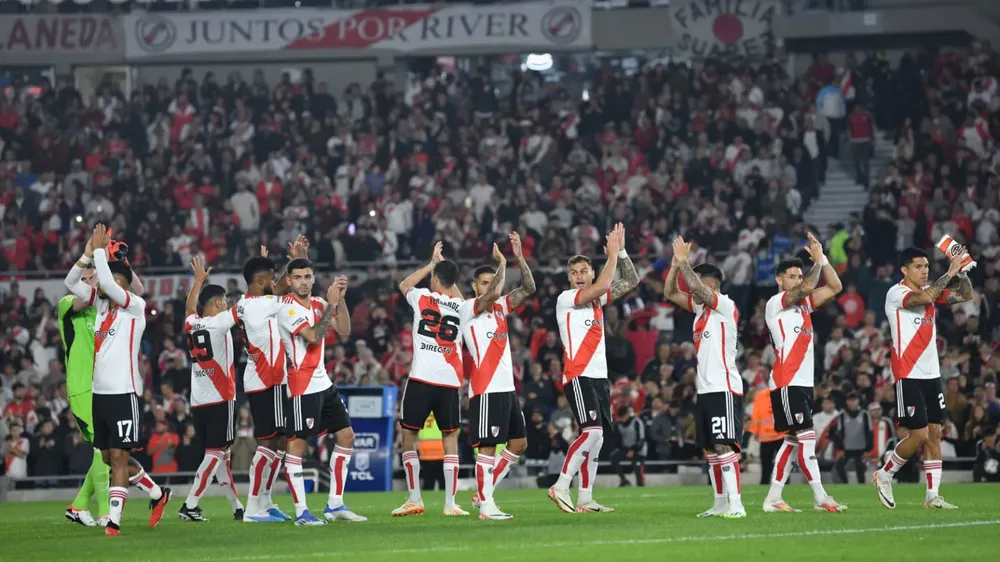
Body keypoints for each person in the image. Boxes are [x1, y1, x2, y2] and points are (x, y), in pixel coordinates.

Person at [63, 224, 170, 536]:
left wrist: (100, 250)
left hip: (124, 393)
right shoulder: (100, 306)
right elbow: (71, 282)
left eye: (113, 283)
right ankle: (156, 493)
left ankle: (113, 523)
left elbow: (108, 282)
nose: (104, 287)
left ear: (122, 286)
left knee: (120, 457)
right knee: (109, 457)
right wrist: (86, 255)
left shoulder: (134, 307)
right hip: (100, 394)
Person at [548, 223, 639, 514]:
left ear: (590, 273)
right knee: (591, 431)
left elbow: (632, 280)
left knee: (597, 439)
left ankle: (585, 498)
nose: (578, 277)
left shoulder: (597, 301)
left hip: (599, 377)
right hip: (578, 375)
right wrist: (611, 256)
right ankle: (561, 485)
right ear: (568, 277)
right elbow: (603, 285)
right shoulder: (566, 300)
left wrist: (622, 251)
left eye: (583, 272)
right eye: (574, 273)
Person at [874, 247, 973, 509]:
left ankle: (932, 496)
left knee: (934, 434)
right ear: (904, 270)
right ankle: (885, 474)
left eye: (927, 265)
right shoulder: (896, 293)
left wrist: (961, 272)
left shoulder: (930, 291)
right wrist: (950, 272)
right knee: (917, 436)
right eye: (918, 266)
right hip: (908, 374)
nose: (925, 270)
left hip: (932, 374)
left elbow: (966, 294)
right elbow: (926, 295)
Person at [761, 233, 847, 513]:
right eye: (793, 276)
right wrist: (817, 263)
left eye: (799, 276)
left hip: (801, 382)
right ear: (780, 280)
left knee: (791, 440)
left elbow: (835, 286)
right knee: (806, 436)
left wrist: (823, 260)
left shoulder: (804, 306)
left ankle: (773, 498)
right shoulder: (776, 304)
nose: (798, 280)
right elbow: (811, 284)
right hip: (787, 381)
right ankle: (820, 497)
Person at [663, 236, 744, 518]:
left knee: (724, 444)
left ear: (709, 285)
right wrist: (676, 265)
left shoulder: (724, 305)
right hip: (706, 388)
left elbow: (693, 286)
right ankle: (720, 503)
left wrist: (686, 262)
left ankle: (737, 504)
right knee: (711, 449)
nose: (690, 287)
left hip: (724, 386)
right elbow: (670, 292)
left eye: (695, 282)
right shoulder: (699, 310)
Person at [276, 259, 362, 525]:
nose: (303, 281)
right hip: (302, 385)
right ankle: (302, 511)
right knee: (298, 445)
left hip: (323, 382)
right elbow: (313, 336)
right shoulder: (286, 308)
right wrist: (332, 305)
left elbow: (345, 331)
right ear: (289, 281)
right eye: (298, 277)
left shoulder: (318, 304)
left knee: (347, 436)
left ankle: (335, 504)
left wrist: (341, 301)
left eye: (307, 276)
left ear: (314, 279)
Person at [459, 233, 536, 520]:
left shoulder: (501, 309)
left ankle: (483, 493)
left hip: (507, 389)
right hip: (486, 388)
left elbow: (529, 286)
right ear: (474, 287)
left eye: (492, 282)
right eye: (484, 283)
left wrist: (518, 256)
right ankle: (487, 505)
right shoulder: (469, 308)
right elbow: (492, 295)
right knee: (488, 447)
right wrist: (502, 264)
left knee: (519, 444)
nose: (489, 288)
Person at [393, 241, 469, 517]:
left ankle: (415, 498)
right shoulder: (462, 307)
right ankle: (450, 504)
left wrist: (430, 264)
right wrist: (446, 276)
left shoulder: (423, 297)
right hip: (449, 382)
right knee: (450, 438)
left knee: (408, 434)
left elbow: (404, 284)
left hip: (421, 379)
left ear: (435, 278)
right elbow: (460, 299)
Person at [237, 237, 307, 523]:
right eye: (269, 277)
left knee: (278, 442)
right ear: (261, 280)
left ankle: (264, 501)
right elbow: (282, 287)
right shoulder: (257, 305)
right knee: (269, 444)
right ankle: (253, 506)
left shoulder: (249, 301)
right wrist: (295, 261)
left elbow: (275, 287)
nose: (274, 281)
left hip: (265, 379)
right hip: (269, 380)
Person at [178, 256, 245, 522]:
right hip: (222, 398)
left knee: (220, 457)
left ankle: (237, 507)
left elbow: (188, 308)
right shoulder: (220, 322)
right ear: (218, 304)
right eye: (225, 302)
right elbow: (244, 308)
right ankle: (190, 504)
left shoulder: (192, 324)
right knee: (217, 454)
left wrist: (197, 282)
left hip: (199, 400)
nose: (227, 305)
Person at [58, 265, 110, 527]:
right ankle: (104, 513)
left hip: (103, 387)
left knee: (106, 450)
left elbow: (138, 291)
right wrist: (92, 257)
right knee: (103, 447)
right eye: (85, 278)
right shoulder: (67, 304)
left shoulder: (102, 310)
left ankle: (78, 506)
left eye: (93, 277)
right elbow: (85, 298)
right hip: (82, 387)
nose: (89, 281)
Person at [831, 394, 874, 484]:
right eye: (850, 400)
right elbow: (839, 433)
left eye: (854, 400)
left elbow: (869, 432)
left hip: (861, 448)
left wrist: (868, 449)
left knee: (860, 470)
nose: (852, 403)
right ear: (847, 402)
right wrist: (840, 449)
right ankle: (846, 484)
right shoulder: (842, 415)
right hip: (846, 448)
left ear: (858, 401)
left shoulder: (865, 414)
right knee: (840, 467)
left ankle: (861, 488)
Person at [611, 405, 646, 487]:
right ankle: (623, 479)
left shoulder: (637, 422)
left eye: (623, 417)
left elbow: (641, 439)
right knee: (614, 458)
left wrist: (633, 450)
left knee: (637, 465)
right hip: (626, 449)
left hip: (638, 450)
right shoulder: (618, 425)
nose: (622, 420)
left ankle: (640, 484)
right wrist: (623, 450)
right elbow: (618, 440)